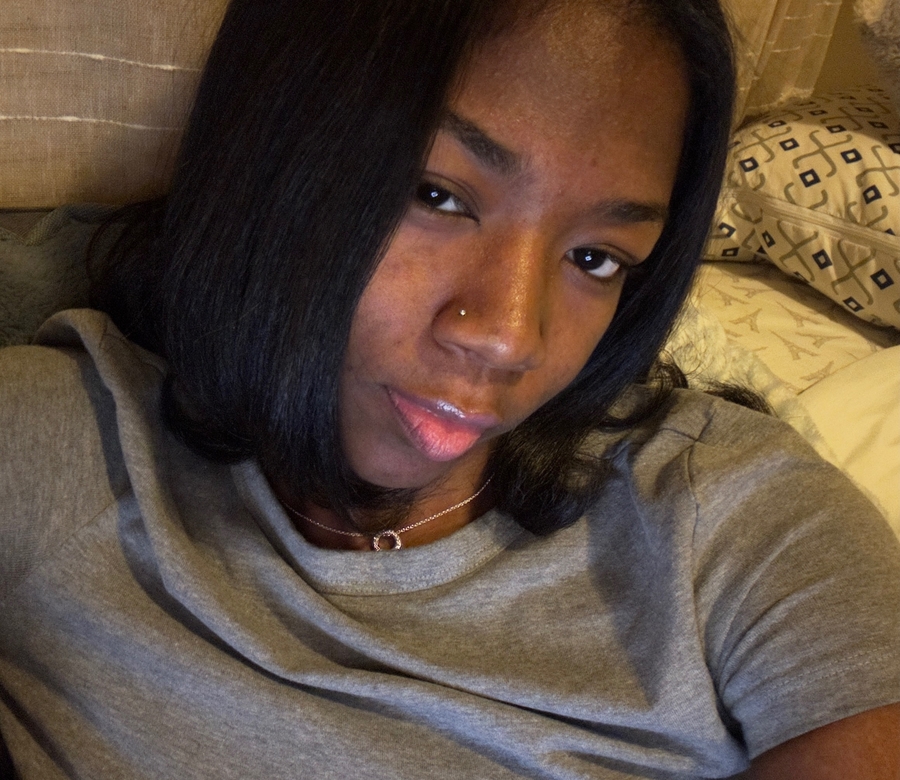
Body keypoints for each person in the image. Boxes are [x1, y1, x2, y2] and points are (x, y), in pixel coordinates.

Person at [0, 0, 898, 777]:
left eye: (595, 258)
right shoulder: (53, 442)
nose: (510, 336)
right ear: (275, 151)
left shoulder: (743, 522)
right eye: (435, 195)